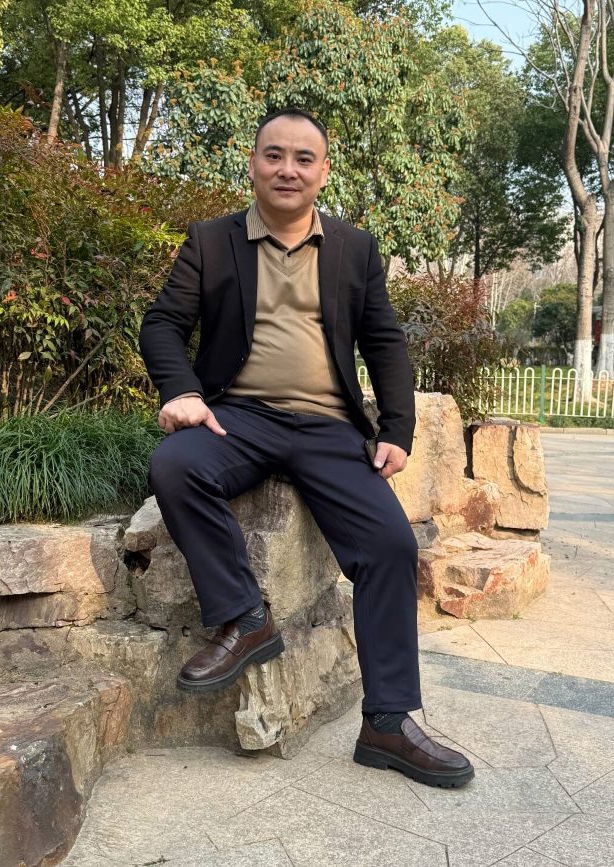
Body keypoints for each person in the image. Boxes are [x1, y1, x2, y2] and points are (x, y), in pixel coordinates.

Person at [139, 107, 474, 789]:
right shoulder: (211, 241)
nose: (287, 169)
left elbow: (384, 341)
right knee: (174, 465)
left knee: (390, 546)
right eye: (274, 155)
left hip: (327, 428)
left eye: (303, 158)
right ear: (253, 163)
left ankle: (387, 722)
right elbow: (163, 324)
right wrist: (183, 391)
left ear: (323, 171)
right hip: (238, 417)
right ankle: (245, 618)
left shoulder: (355, 248)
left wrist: (397, 430)